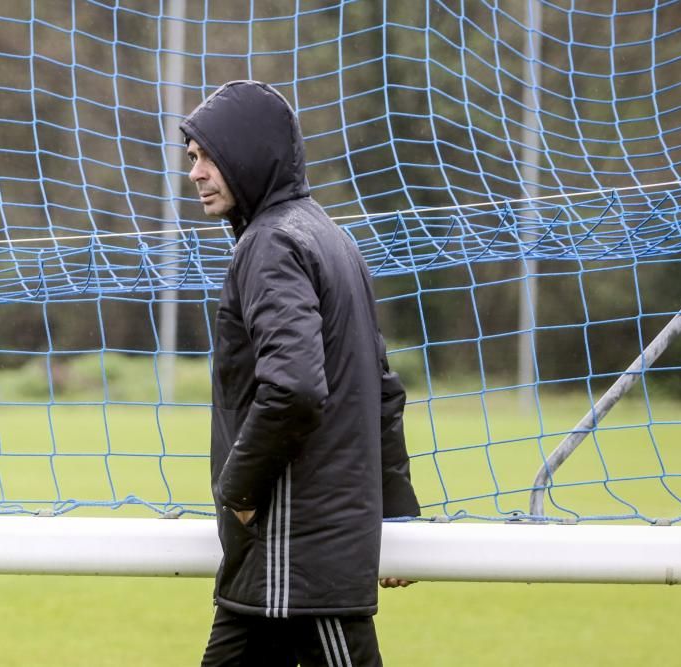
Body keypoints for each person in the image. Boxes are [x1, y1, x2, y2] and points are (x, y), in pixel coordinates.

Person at [180, 80, 421, 666]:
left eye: (209, 155)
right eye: (191, 158)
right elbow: (384, 392)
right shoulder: (330, 237)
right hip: (273, 564)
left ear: (249, 153)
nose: (196, 173)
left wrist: (237, 488)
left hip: (301, 562)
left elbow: (294, 386)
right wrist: (397, 512)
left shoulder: (272, 243)